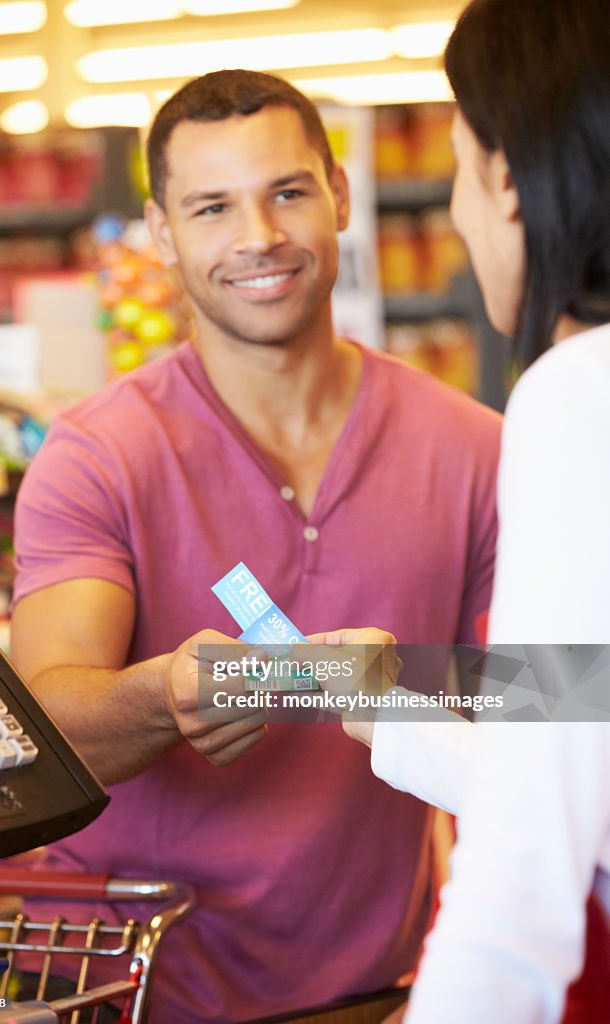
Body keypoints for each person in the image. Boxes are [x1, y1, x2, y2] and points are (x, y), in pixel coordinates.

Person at [9, 69, 501, 1023]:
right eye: (211, 206)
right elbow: (46, 725)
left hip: (376, 991)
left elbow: (566, 691)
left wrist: (409, 682)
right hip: (125, 986)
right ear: (160, 232)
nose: (258, 238)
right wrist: (164, 695)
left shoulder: (473, 445)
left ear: (339, 193)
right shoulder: (99, 454)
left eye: (287, 191)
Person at [325, 1, 610, 1021]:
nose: (452, 211)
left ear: (507, 174)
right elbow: (586, 717)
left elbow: (527, 863)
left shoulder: (576, 393)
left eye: (455, 161)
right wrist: (397, 716)